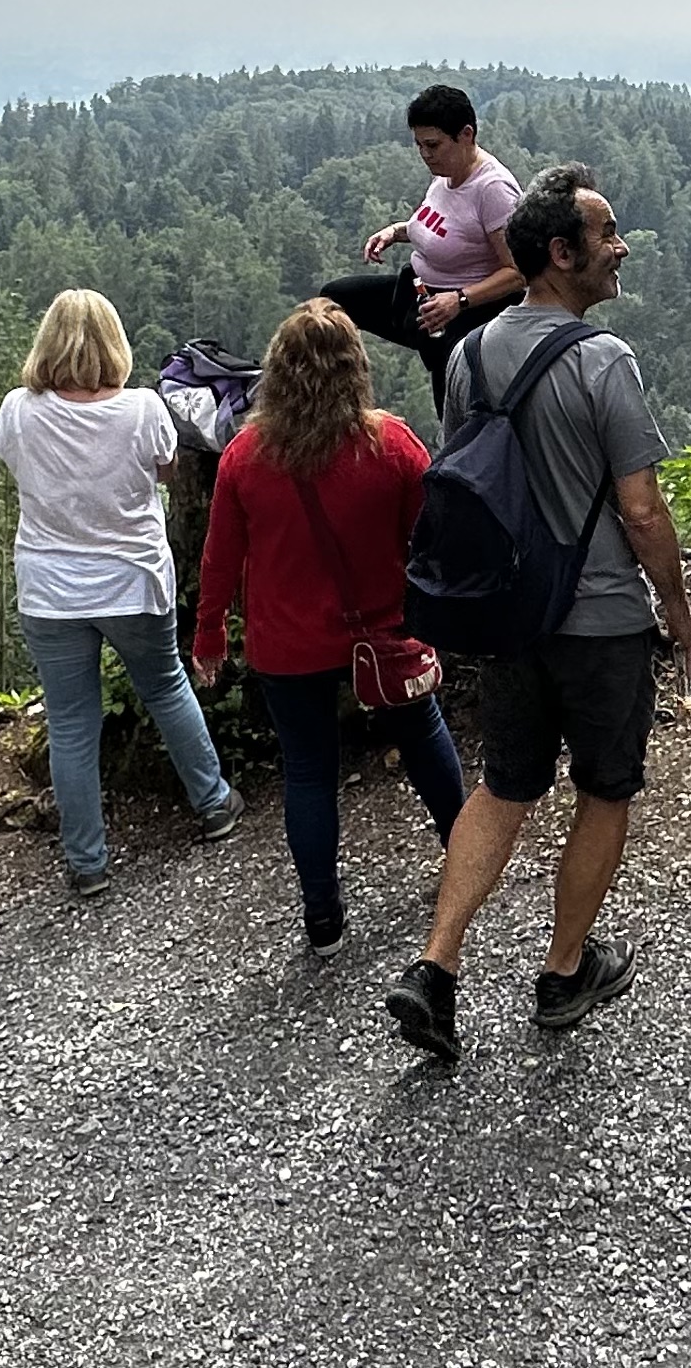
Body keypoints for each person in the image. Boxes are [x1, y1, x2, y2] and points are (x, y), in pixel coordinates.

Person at [382, 164, 691, 1059]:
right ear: (561, 255)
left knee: (503, 783)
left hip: (510, 615)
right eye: (606, 236)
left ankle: (436, 968)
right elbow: (641, 510)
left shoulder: (471, 354)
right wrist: (678, 609)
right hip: (600, 619)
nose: (621, 247)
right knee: (605, 789)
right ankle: (565, 971)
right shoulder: (604, 360)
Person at [190, 298, 471, 952]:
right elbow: (427, 542)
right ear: (355, 368)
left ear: (277, 372)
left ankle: (323, 919)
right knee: (425, 738)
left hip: (287, 643)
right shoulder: (392, 444)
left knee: (309, 770)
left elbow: (220, 559)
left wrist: (208, 638)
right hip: (384, 631)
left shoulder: (244, 457)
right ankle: (465, 860)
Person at [0, 288, 243, 896]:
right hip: (133, 579)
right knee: (165, 688)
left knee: (72, 723)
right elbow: (164, 468)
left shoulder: (18, 411)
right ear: (115, 344)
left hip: (50, 589)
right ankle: (212, 804)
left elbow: (11, 462)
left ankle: (87, 862)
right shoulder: (143, 409)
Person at [319, 83, 527, 405]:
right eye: (419, 145)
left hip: (461, 314)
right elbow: (442, 228)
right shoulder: (447, 171)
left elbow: (518, 273)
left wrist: (458, 300)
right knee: (332, 303)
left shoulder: (493, 190)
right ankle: (332, 407)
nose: (425, 154)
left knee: (453, 403)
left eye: (433, 145)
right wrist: (397, 231)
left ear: (466, 135)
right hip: (415, 292)